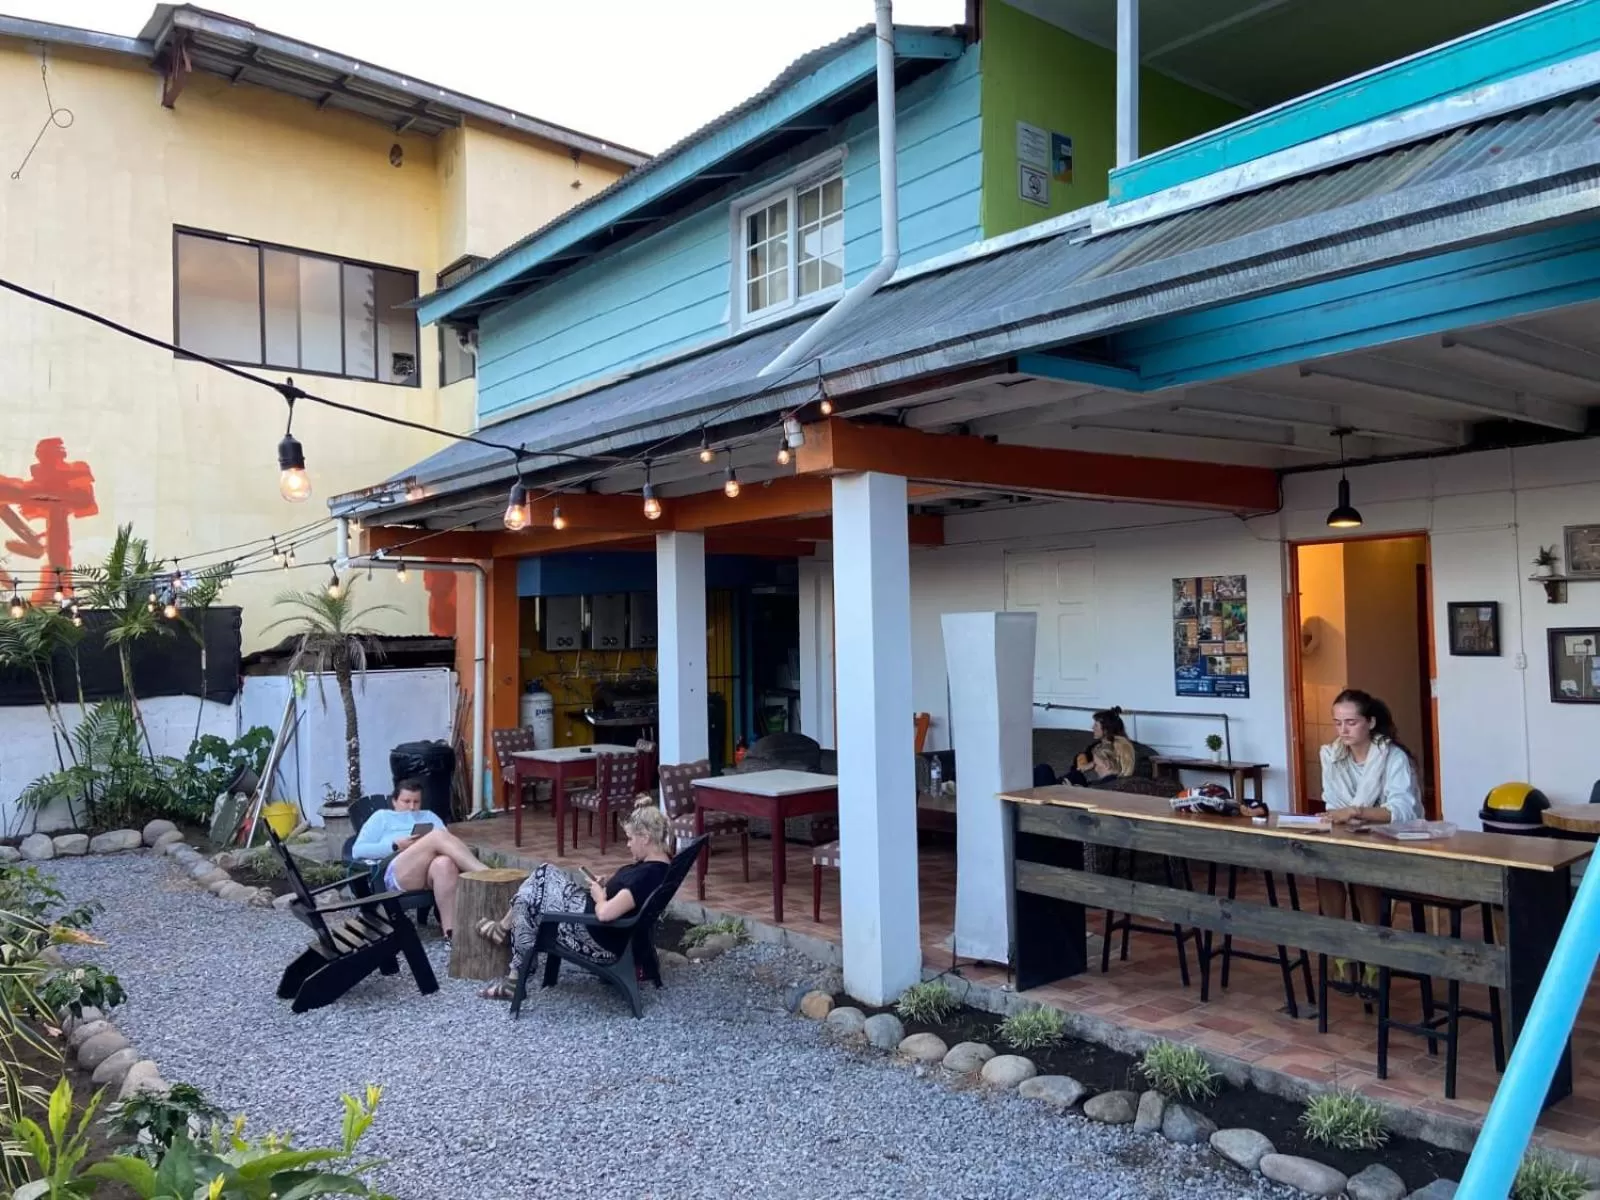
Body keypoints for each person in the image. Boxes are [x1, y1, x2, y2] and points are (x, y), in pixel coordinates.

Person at [476, 797, 673, 1001]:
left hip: (596, 935)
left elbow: (606, 913)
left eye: (631, 838)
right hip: (598, 924)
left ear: (646, 837)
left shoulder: (647, 876)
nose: (628, 844)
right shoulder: (659, 865)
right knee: (543, 875)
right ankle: (506, 939)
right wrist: (607, 884)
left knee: (530, 899)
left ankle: (514, 969)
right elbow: (627, 893)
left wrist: (599, 895)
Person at [1315, 688, 1423, 992]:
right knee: (1325, 869)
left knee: (1363, 874)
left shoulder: (1392, 756)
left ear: (1370, 722)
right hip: (1349, 839)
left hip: (1392, 842)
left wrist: (1356, 812)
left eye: (1351, 722)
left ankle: (1372, 959)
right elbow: (1332, 804)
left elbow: (1402, 811)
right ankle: (1340, 955)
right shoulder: (1332, 756)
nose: (1343, 730)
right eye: (1338, 723)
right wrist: (1342, 816)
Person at [349, 778, 489, 940]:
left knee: (445, 864)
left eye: (416, 802)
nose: (412, 807)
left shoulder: (428, 816)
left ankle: (451, 934)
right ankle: (486, 874)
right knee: (436, 836)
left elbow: (448, 844)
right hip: (395, 872)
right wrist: (395, 845)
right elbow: (357, 850)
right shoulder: (381, 817)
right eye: (406, 801)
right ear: (394, 801)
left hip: (428, 872)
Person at [1063, 707, 1136, 786]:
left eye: (1096, 725)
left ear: (1106, 729)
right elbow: (1080, 764)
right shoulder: (1096, 746)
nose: (1092, 728)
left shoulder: (1120, 747)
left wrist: (1092, 764)